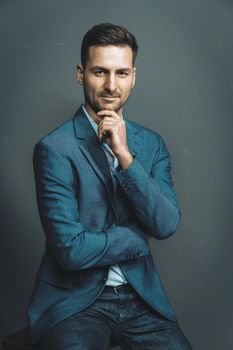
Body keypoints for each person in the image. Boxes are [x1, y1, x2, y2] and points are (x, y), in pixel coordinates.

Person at [27, 23, 192, 349]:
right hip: (74, 303)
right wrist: (134, 239)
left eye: (121, 73)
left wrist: (124, 157)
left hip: (140, 298)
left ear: (133, 77)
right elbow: (70, 251)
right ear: (80, 74)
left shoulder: (151, 144)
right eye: (100, 72)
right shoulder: (54, 148)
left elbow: (166, 223)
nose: (111, 85)